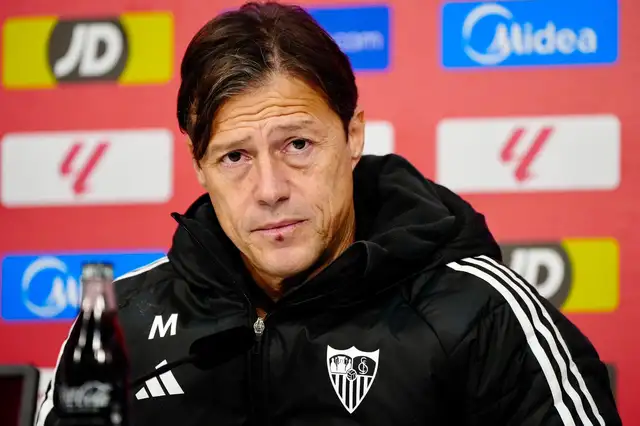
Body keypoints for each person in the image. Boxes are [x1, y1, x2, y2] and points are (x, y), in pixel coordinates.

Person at [37, 2, 622, 425]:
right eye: (235, 157)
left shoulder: (479, 311)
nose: (270, 190)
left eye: (298, 145)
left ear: (353, 135)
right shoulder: (120, 324)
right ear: (198, 165)